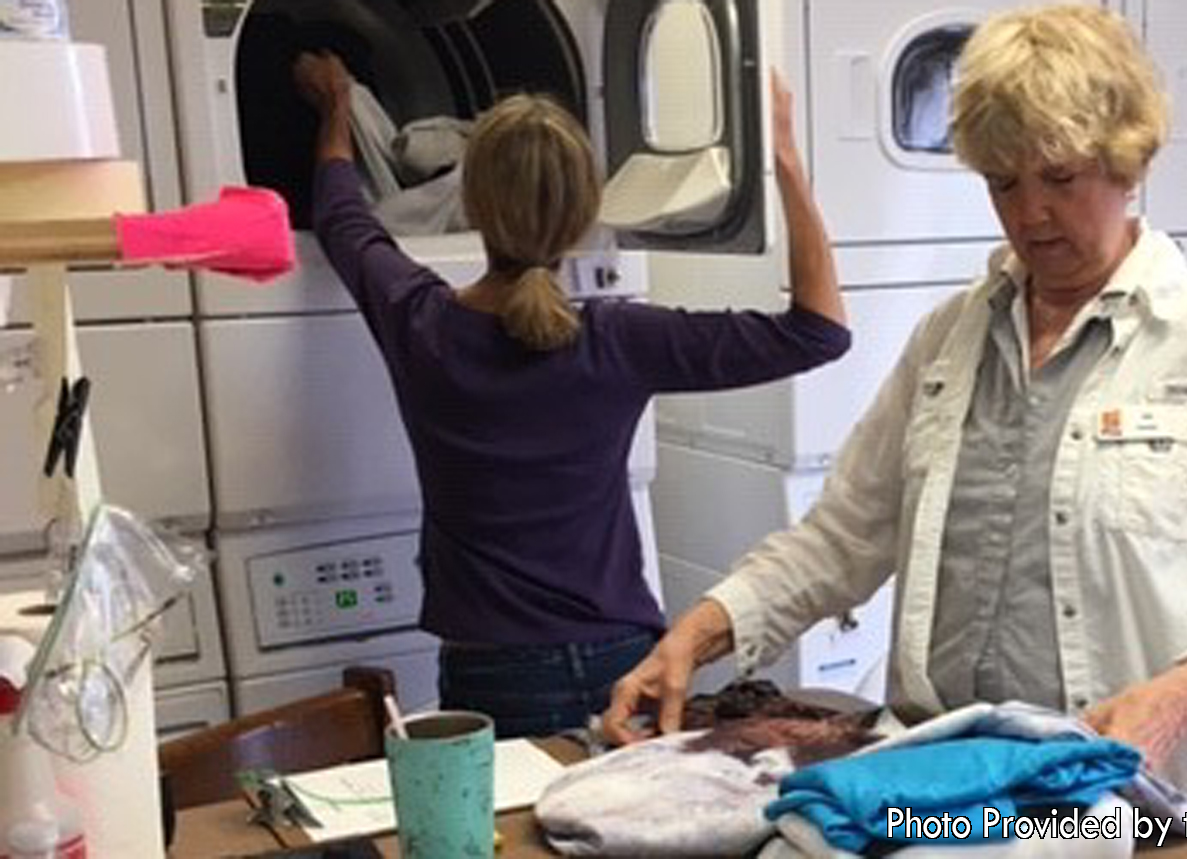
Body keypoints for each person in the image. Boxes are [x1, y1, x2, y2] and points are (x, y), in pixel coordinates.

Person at [603, 4, 1187, 820]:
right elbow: (843, 535)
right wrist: (699, 631)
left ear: (1130, 165)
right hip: (941, 793)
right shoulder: (948, 342)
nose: (1029, 214)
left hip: (1123, 802)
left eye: (1059, 177)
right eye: (1003, 182)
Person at [291, 52, 850, 739]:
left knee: (511, 842)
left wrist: (337, 109)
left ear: (471, 206)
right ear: (585, 212)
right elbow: (820, 332)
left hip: (494, 672)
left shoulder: (420, 322)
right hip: (629, 661)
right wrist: (787, 164)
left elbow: (342, 212)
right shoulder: (620, 337)